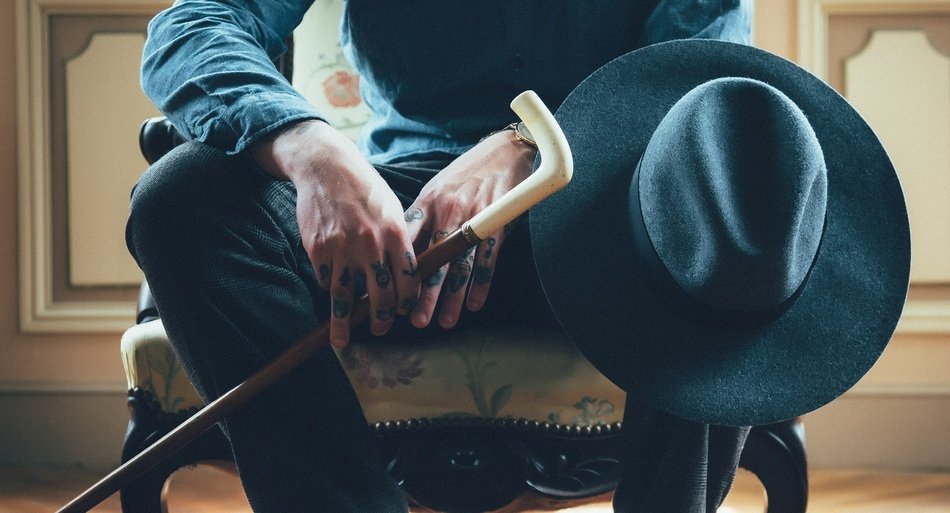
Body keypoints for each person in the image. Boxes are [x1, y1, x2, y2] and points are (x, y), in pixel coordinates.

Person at [128, 1, 753, 511]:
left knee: (735, 205)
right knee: (179, 199)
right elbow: (191, 26)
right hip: (399, 223)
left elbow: (695, 81)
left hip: (602, 224)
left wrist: (527, 141)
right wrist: (313, 149)